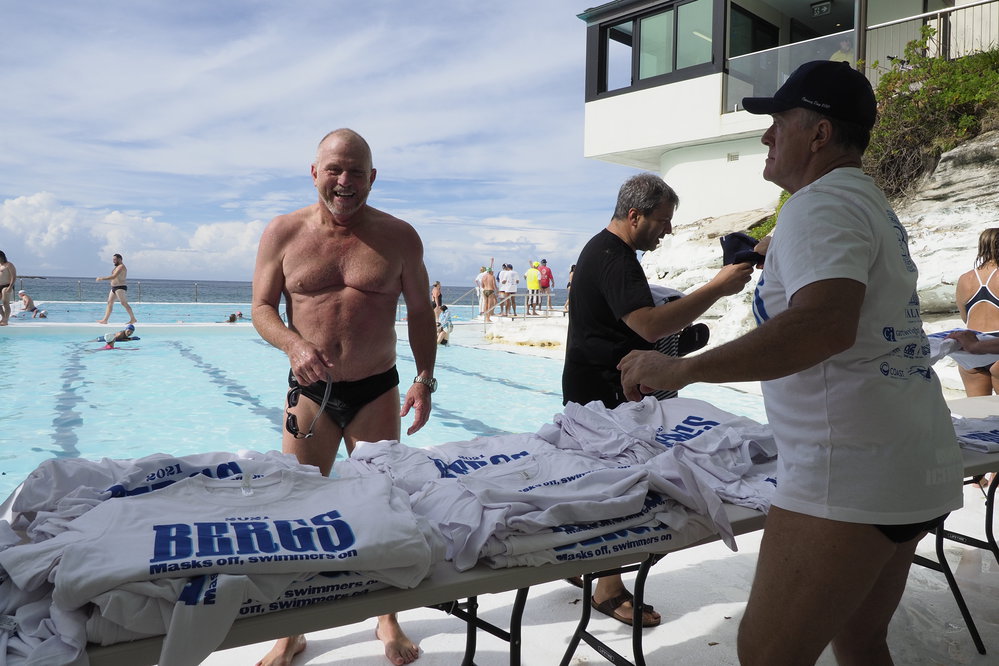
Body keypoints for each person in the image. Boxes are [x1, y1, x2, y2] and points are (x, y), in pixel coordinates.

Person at [617, 61, 964, 664]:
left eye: (779, 120)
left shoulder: (818, 205)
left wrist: (677, 370)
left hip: (848, 471)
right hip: (913, 460)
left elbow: (822, 326)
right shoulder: (867, 202)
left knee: (765, 653)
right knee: (860, 642)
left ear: (820, 134)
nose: (766, 134)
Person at [251, 128, 436, 666]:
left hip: (377, 388)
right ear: (314, 173)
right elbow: (262, 308)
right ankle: (291, 632)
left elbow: (421, 312)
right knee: (296, 508)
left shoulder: (400, 238)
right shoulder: (282, 233)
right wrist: (292, 344)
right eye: (334, 169)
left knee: (381, 505)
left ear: (372, 178)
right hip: (310, 392)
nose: (345, 181)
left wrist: (425, 377)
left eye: (357, 171)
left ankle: (387, 619)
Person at [562, 172, 754, 627]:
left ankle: (590, 567)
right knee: (621, 486)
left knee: (602, 480)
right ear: (635, 215)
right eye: (663, 221)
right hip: (606, 390)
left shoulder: (604, 249)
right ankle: (607, 590)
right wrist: (718, 287)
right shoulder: (615, 257)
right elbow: (650, 325)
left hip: (594, 385)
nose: (668, 230)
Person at [96, 253, 137, 325]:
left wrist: (102, 278)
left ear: (120, 259)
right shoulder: (117, 267)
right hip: (114, 288)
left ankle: (133, 319)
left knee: (123, 303)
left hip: (120, 287)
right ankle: (105, 320)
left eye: (115, 259)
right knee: (109, 302)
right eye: (113, 259)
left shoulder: (121, 267)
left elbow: (114, 276)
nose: (113, 261)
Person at [0, 250, 15, 326]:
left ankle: (6, 321)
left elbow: (13, 276)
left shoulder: (9, 265)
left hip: (6, 285)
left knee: (5, 303)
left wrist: (10, 286)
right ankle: (3, 318)